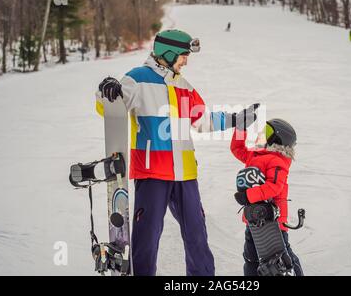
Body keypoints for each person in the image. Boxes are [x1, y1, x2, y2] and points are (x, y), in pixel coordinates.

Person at [96, 29, 259, 276]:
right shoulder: (138, 79)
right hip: (152, 173)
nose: (186, 61)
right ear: (168, 53)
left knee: (197, 234)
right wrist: (105, 90)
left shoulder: (184, 86)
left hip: (185, 176)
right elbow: (109, 106)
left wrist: (235, 119)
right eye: (183, 55)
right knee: (147, 238)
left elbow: (203, 120)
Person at [231, 119, 304, 276]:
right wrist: (241, 127)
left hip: (273, 222)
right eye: (263, 130)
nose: (262, 134)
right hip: (254, 219)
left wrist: (248, 196)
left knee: (282, 258)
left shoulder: (277, 160)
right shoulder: (255, 155)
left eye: (267, 132)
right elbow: (237, 148)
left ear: (278, 139)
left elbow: (274, 187)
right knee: (251, 258)